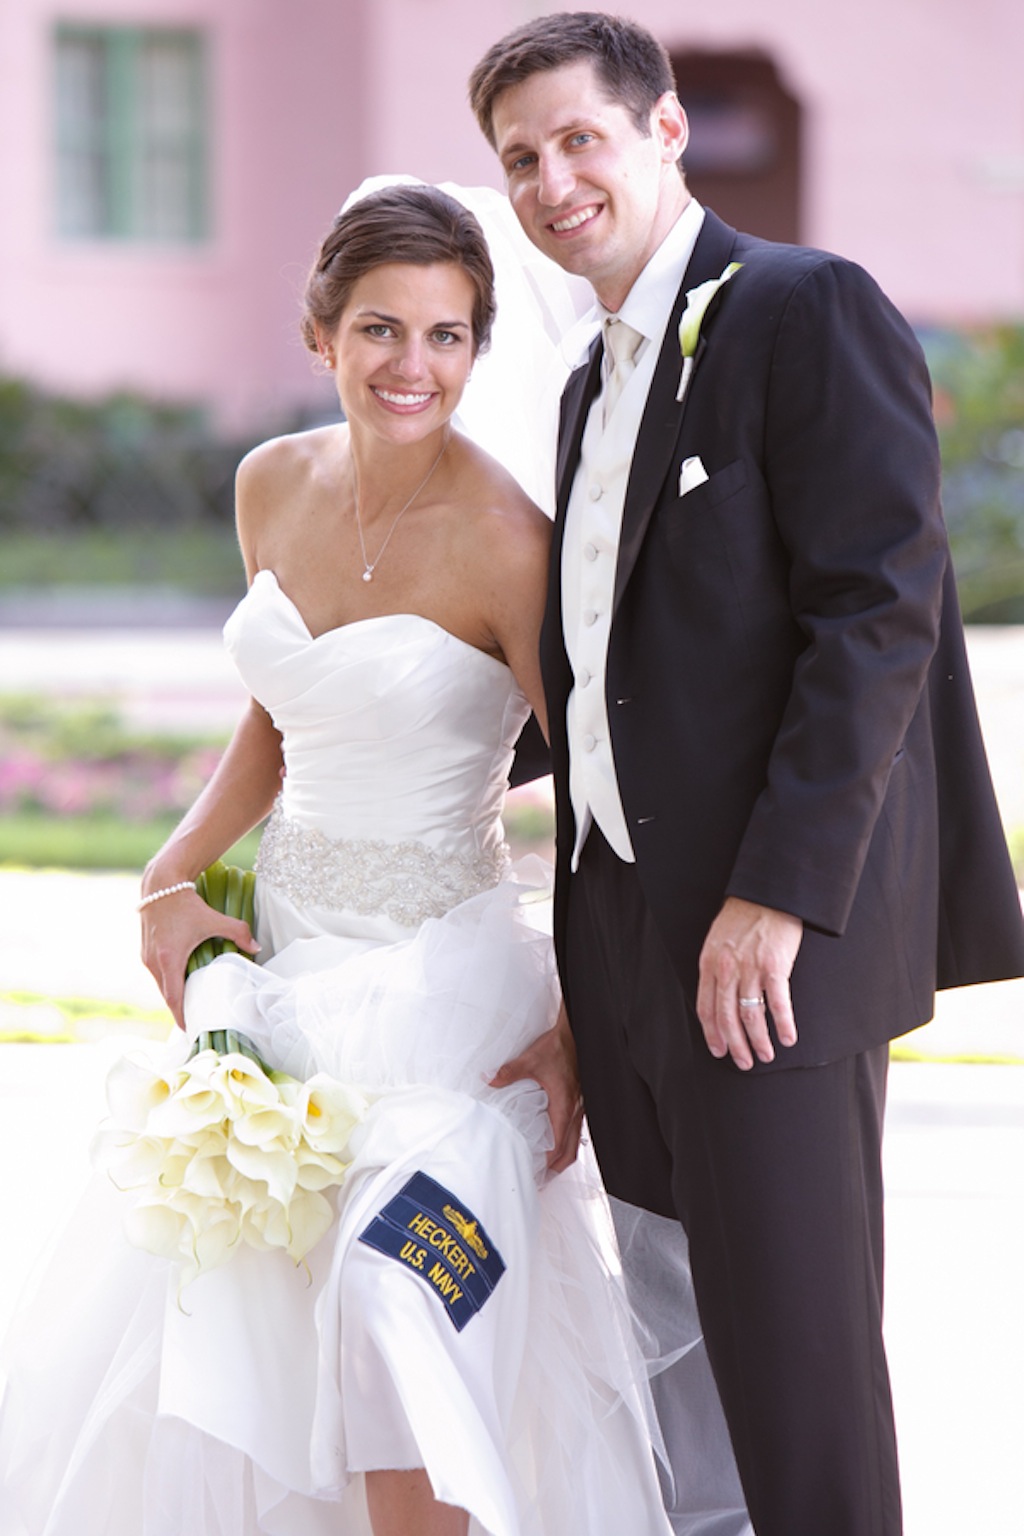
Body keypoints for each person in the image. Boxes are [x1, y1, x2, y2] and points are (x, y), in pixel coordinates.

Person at [0, 184, 678, 1536]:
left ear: (480, 349)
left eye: (446, 336)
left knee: (397, 1312)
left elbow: (606, 810)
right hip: (287, 981)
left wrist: (579, 1037)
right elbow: (286, 707)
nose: (411, 367)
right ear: (321, 335)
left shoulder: (509, 547)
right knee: (245, 1338)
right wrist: (173, 871)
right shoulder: (272, 485)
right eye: (380, 330)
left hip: (447, 1007)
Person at [468, 13, 1024, 1536]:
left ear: (664, 132)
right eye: (521, 158)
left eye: (580, 138)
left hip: (766, 946)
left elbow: (879, 611)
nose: (552, 179)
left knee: (798, 1366)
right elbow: (604, 661)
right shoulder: (589, 387)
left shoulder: (803, 307)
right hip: (625, 941)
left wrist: (775, 898)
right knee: (671, 1344)